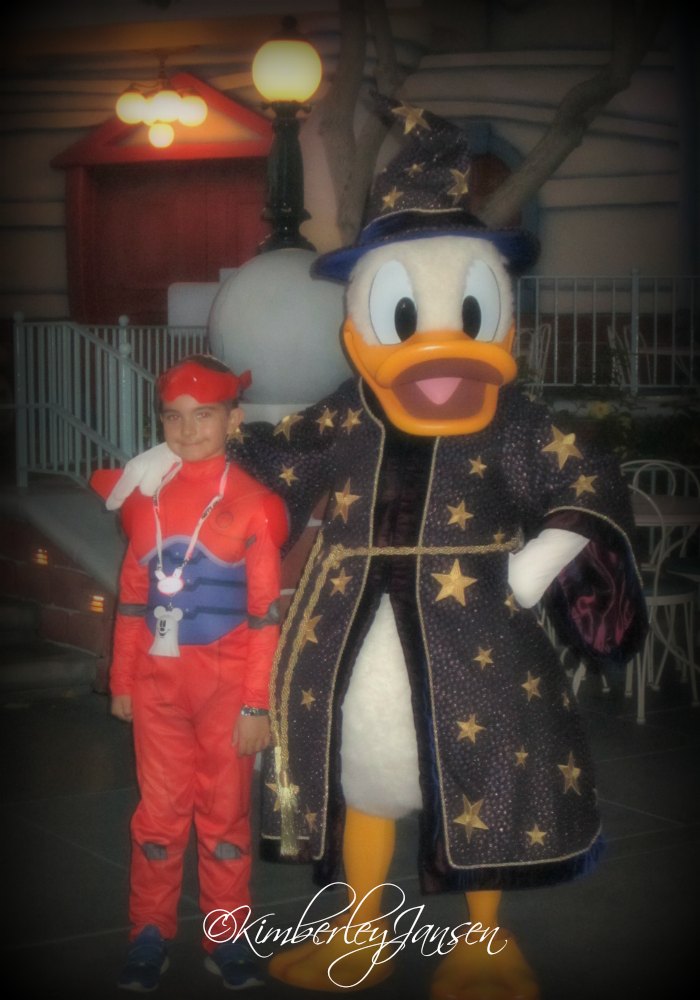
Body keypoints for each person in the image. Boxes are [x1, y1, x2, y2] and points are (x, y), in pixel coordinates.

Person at [90, 355, 287, 993]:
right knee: (159, 813)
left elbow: (265, 617)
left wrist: (257, 706)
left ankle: (227, 934)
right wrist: (122, 680)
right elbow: (130, 599)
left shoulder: (258, 506)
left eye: (204, 415)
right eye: (172, 417)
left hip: (228, 688)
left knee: (224, 815)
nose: (187, 428)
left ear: (234, 419)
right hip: (156, 684)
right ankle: (148, 932)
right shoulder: (142, 502)